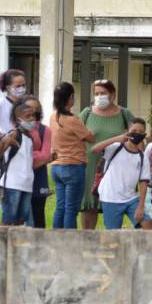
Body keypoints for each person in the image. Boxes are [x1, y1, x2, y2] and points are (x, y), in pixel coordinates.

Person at [79, 79, 135, 230]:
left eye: (103, 93)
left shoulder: (124, 113)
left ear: (112, 95)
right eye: (96, 94)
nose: (99, 97)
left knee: (113, 204)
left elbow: (136, 136)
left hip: (115, 167)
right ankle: (87, 240)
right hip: (90, 165)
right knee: (90, 204)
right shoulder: (87, 113)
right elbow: (75, 136)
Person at [91, 117, 152, 230]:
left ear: (144, 135)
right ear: (127, 132)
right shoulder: (115, 148)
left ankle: (139, 247)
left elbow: (144, 182)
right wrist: (116, 139)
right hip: (111, 197)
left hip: (131, 197)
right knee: (113, 233)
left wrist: (141, 206)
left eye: (141, 132)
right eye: (134, 131)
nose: (137, 134)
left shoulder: (142, 156)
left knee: (147, 224)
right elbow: (94, 149)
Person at [50, 82, 94, 229]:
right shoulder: (72, 119)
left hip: (57, 167)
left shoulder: (53, 116)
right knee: (71, 209)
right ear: (70, 98)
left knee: (60, 207)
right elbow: (89, 138)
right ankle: (71, 242)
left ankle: (56, 239)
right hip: (73, 166)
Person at [0, 102, 38, 227]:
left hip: (26, 184)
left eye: (33, 116)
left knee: (21, 219)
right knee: (8, 218)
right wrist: (5, 142)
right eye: (27, 116)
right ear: (18, 119)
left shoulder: (29, 137)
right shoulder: (14, 134)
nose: (31, 119)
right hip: (13, 183)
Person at [20, 96, 54, 229]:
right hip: (19, 180)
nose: (31, 113)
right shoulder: (16, 129)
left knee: (38, 217)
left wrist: (30, 158)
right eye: (28, 109)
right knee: (20, 216)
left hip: (39, 179)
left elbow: (46, 156)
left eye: (35, 109)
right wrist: (37, 155)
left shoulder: (45, 130)